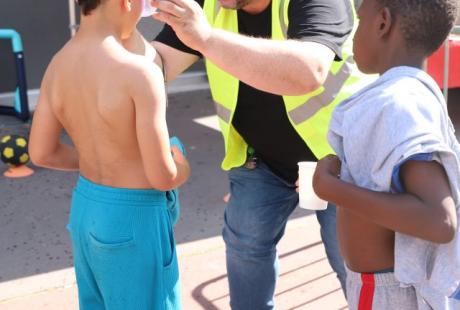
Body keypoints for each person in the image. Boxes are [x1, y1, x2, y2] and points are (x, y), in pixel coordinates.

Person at [136, 0, 371, 307]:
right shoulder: (211, 5)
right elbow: (157, 66)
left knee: (352, 263)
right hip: (260, 161)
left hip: (341, 162)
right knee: (245, 245)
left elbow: (308, 71)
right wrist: (109, 31)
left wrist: (205, 37)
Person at [28, 0, 190, 309]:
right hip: (135, 219)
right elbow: (163, 177)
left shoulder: (58, 64)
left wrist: (96, 154)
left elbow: (41, 152)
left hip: (85, 209)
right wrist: (181, 165)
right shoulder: (139, 72)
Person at [313, 0, 460, 308]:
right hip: (385, 286)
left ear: (382, 22)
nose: (351, 33)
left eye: (359, 19)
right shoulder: (406, 94)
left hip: (389, 293)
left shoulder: (398, 103)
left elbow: (439, 221)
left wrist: (334, 190)